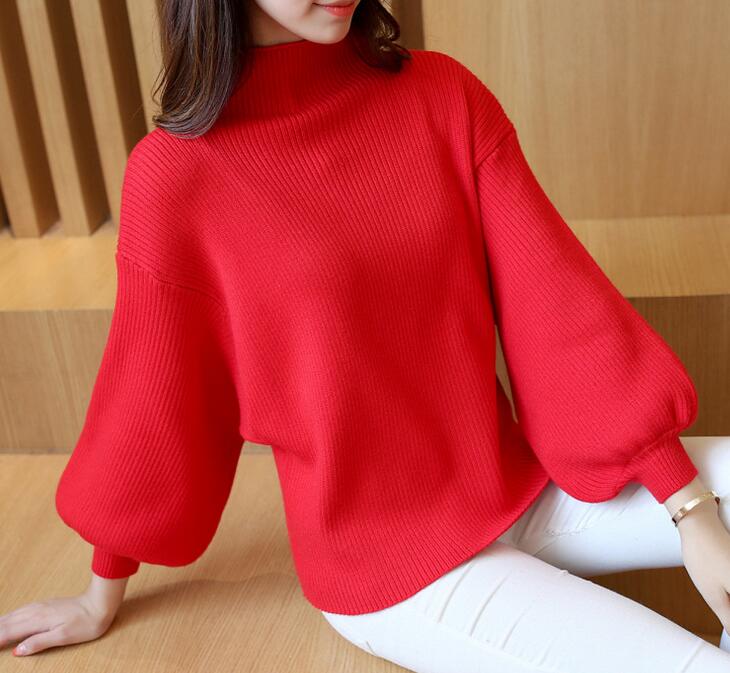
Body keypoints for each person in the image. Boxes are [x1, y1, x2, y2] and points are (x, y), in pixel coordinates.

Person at [1, 1, 728, 669]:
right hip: (391, 570)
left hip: (521, 486)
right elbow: (153, 399)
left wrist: (688, 506)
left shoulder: (441, 94)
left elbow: (557, 303)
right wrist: (100, 590)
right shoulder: (175, 175)